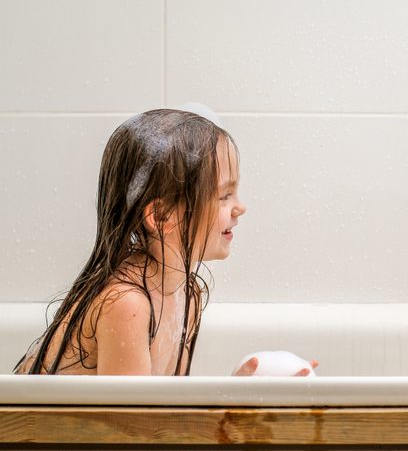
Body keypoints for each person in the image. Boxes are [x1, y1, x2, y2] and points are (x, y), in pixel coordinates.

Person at [13, 107, 313, 376]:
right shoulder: (127, 304)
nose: (240, 207)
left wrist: (235, 399)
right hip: (37, 437)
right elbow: (130, 431)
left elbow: (166, 409)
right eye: (223, 196)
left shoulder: (187, 292)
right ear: (160, 216)